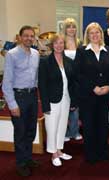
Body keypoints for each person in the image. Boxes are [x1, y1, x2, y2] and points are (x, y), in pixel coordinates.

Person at [74, 22, 109, 164]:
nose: (94, 35)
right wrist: (93, 87)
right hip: (88, 96)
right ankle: (90, 155)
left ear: (101, 34)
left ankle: (103, 153)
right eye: (91, 33)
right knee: (89, 126)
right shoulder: (81, 51)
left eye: (97, 32)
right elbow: (78, 74)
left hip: (105, 95)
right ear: (87, 35)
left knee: (103, 125)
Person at [2, 25, 40, 176]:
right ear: (19, 37)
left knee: (31, 130)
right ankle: (21, 163)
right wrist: (12, 104)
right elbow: (6, 83)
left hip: (32, 96)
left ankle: (28, 158)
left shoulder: (36, 53)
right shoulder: (12, 54)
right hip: (18, 97)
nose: (29, 38)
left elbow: (36, 77)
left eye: (32, 36)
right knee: (20, 132)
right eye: (26, 35)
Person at [38, 34, 75, 167]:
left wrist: (73, 101)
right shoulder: (45, 61)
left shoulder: (69, 61)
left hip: (66, 99)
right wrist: (45, 105)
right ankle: (53, 153)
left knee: (62, 126)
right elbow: (42, 85)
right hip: (52, 101)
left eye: (61, 43)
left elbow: (72, 83)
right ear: (52, 45)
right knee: (52, 127)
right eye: (56, 43)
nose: (59, 45)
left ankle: (59, 150)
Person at [62, 17, 83, 142]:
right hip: (64, 78)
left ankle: (74, 132)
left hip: (77, 80)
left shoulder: (80, 42)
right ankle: (64, 133)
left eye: (73, 26)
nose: (71, 29)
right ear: (65, 29)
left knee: (75, 107)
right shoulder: (61, 41)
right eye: (69, 26)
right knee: (64, 107)